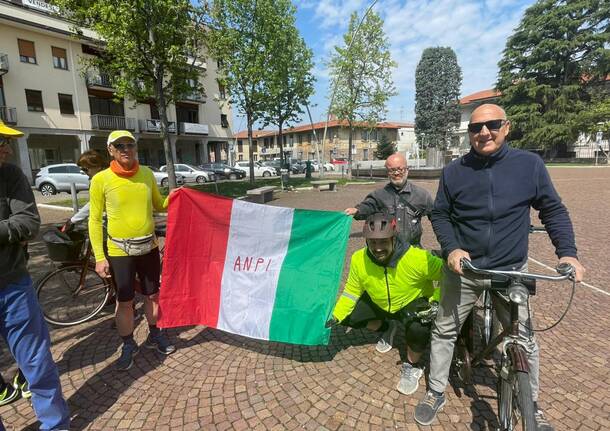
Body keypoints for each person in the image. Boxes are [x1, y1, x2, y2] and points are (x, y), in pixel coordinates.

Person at [413, 104, 585, 429]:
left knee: (525, 339)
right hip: (465, 269)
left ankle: (531, 405)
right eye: (475, 128)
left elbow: (552, 210)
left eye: (491, 125)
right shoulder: (454, 171)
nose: (483, 133)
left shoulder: (529, 165)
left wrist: (568, 253)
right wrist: (451, 249)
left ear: (506, 127)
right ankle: (435, 391)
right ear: (469, 135)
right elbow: (440, 214)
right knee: (445, 328)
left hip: (510, 270)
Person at [0, 120, 70, 429]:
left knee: (36, 361)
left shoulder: (11, 175)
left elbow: (28, 223)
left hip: (12, 284)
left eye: (6, 141)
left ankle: (55, 425)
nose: (5, 147)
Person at [328, 213, 443, 395]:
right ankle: (387, 327)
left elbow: (447, 276)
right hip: (380, 303)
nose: (378, 248)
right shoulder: (359, 258)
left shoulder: (416, 257)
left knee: (418, 327)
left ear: (393, 238)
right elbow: (352, 291)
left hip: (411, 302)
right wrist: (337, 315)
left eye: (383, 242)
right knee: (347, 317)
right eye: (373, 242)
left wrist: (434, 301)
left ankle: (412, 365)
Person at [89, 130, 176, 371]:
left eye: (130, 144)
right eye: (120, 145)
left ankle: (155, 334)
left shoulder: (146, 174)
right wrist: (99, 257)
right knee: (125, 302)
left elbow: (159, 205)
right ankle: (128, 344)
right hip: (119, 251)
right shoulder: (101, 180)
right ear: (111, 150)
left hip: (148, 247)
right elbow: (94, 221)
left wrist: (176, 197)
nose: (126, 149)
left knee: (153, 296)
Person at [344, 153, 433, 247]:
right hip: (388, 251)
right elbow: (367, 206)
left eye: (400, 169)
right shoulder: (379, 195)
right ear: (387, 172)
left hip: (413, 250)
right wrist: (357, 211)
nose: (396, 173)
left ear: (407, 169)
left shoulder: (422, 195)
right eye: (392, 170)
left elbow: (438, 217)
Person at [62, 150, 109, 231]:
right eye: (82, 169)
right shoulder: (102, 177)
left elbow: (94, 204)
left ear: (98, 166)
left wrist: (72, 220)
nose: (83, 172)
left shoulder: (102, 180)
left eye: (85, 169)